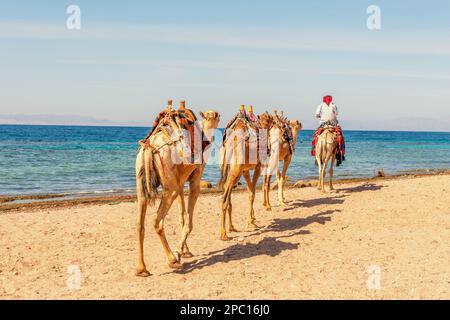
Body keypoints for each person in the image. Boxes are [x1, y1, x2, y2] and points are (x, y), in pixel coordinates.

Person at [311, 95, 346, 165]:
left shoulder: (320, 105)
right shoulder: (334, 105)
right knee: (340, 135)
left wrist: (321, 116)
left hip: (323, 124)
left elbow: (317, 114)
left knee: (315, 135)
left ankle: (314, 150)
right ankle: (340, 153)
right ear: (331, 99)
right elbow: (337, 114)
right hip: (333, 124)